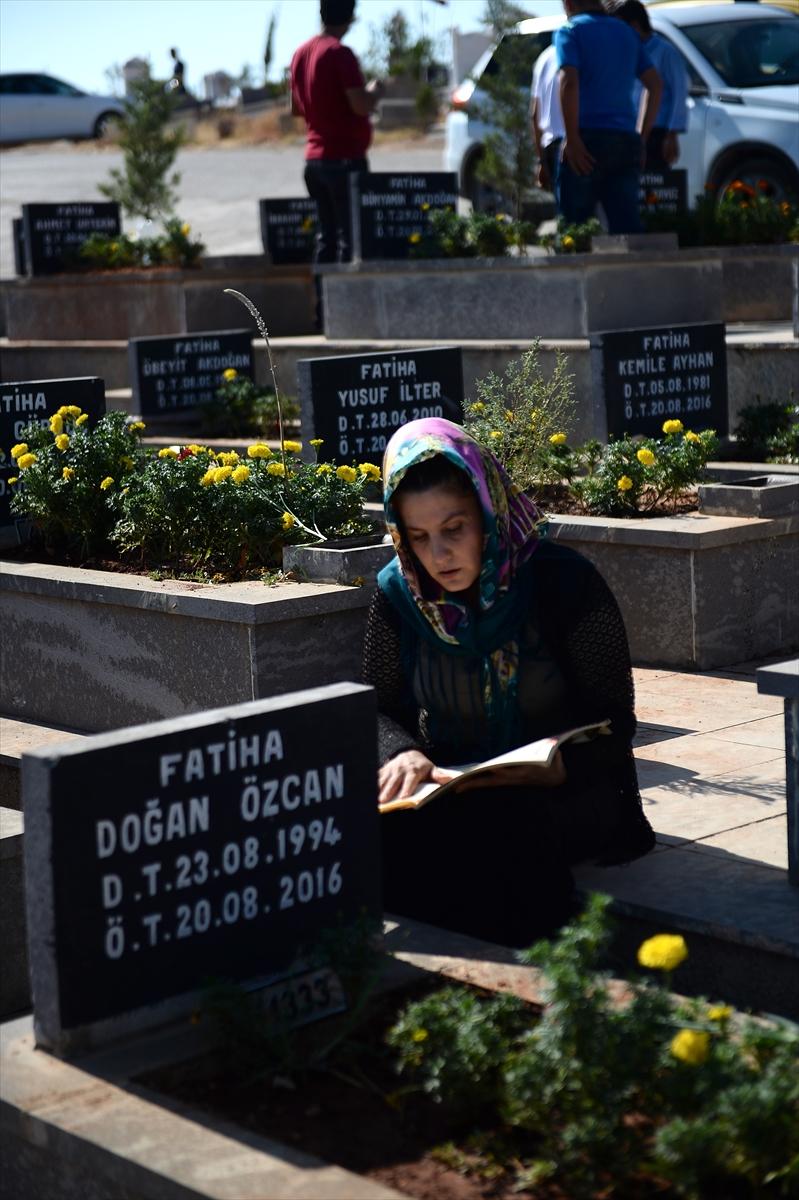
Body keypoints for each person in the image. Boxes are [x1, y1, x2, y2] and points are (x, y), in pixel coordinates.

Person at [362, 418, 655, 948]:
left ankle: (543, 985)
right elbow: (377, 710)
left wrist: (564, 767)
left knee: (504, 829)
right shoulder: (398, 596)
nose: (439, 555)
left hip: (572, 792)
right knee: (358, 834)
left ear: (488, 512)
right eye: (419, 537)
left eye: (455, 529)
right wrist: (400, 751)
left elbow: (616, 720)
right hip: (454, 784)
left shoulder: (564, 582)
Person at [290, 0, 383, 323]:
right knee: (349, 238)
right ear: (351, 16)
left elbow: (296, 108)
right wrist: (374, 92)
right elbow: (359, 105)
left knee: (326, 238)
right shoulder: (340, 54)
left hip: (314, 160)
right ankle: (347, 312)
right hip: (343, 160)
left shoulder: (301, 53)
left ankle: (324, 312)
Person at [555, 0, 662, 234]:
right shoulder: (626, 32)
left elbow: (569, 82)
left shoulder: (570, 31)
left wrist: (572, 138)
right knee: (627, 227)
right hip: (624, 140)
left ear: (568, 3)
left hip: (586, 140)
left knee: (575, 230)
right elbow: (655, 85)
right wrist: (641, 139)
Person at [606, 0, 688, 172]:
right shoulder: (625, 52)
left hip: (657, 133)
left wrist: (671, 135)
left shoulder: (665, 52)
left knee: (655, 184)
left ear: (635, 26)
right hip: (629, 130)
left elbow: (679, 94)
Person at [531, 43, 565, 197]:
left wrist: (541, 160)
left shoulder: (545, 56)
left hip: (550, 144)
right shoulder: (583, 50)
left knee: (565, 215)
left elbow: (534, 113)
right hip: (573, 144)